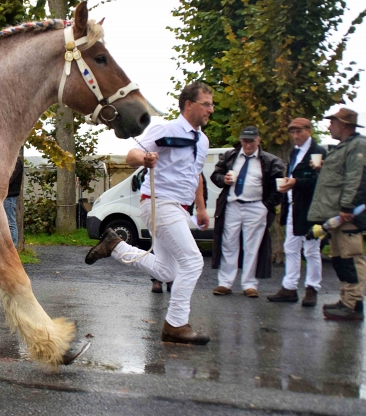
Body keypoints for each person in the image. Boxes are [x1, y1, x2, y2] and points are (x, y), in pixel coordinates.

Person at [85, 81, 212, 344]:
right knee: (193, 262)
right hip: (160, 202)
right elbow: (132, 154)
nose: (211, 110)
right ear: (189, 105)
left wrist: (200, 208)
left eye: (211, 105)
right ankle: (175, 325)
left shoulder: (202, 140)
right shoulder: (166, 128)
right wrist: (144, 159)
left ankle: (115, 246)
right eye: (206, 104)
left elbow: (196, 175)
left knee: (167, 271)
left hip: (180, 208)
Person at [307, 108, 366, 321]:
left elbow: (359, 177)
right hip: (338, 215)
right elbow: (343, 174)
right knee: (340, 259)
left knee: (351, 259)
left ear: (344, 124)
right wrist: (324, 169)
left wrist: (347, 207)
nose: (329, 126)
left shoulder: (359, 145)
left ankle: (353, 304)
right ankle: (346, 300)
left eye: (332, 122)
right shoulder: (344, 147)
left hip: (349, 215)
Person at [211, 126, 284, 297]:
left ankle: (249, 284)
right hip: (233, 204)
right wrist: (224, 179)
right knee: (229, 243)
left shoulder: (270, 161)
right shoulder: (231, 156)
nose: (248, 144)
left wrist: (266, 205)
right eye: (245, 140)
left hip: (256, 205)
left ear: (258, 141)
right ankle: (225, 283)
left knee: (252, 246)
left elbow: (279, 186)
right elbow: (216, 175)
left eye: (251, 141)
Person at [268, 118, 327, 306]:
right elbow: (294, 176)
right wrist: (288, 184)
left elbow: (319, 182)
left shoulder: (318, 152)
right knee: (290, 247)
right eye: (292, 132)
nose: (295, 136)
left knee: (311, 249)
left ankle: (312, 288)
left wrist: (296, 182)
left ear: (309, 131)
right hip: (293, 205)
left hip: (310, 208)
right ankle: (289, 287)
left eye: (298, 132)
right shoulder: (295, 152)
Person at [4, 157, 24, 245]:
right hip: (6, 195)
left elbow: (10, 179)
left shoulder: (16, 162)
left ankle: (13, 247)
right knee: (7, 223)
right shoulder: (11, 160)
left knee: (10, 223)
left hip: (10, 196)